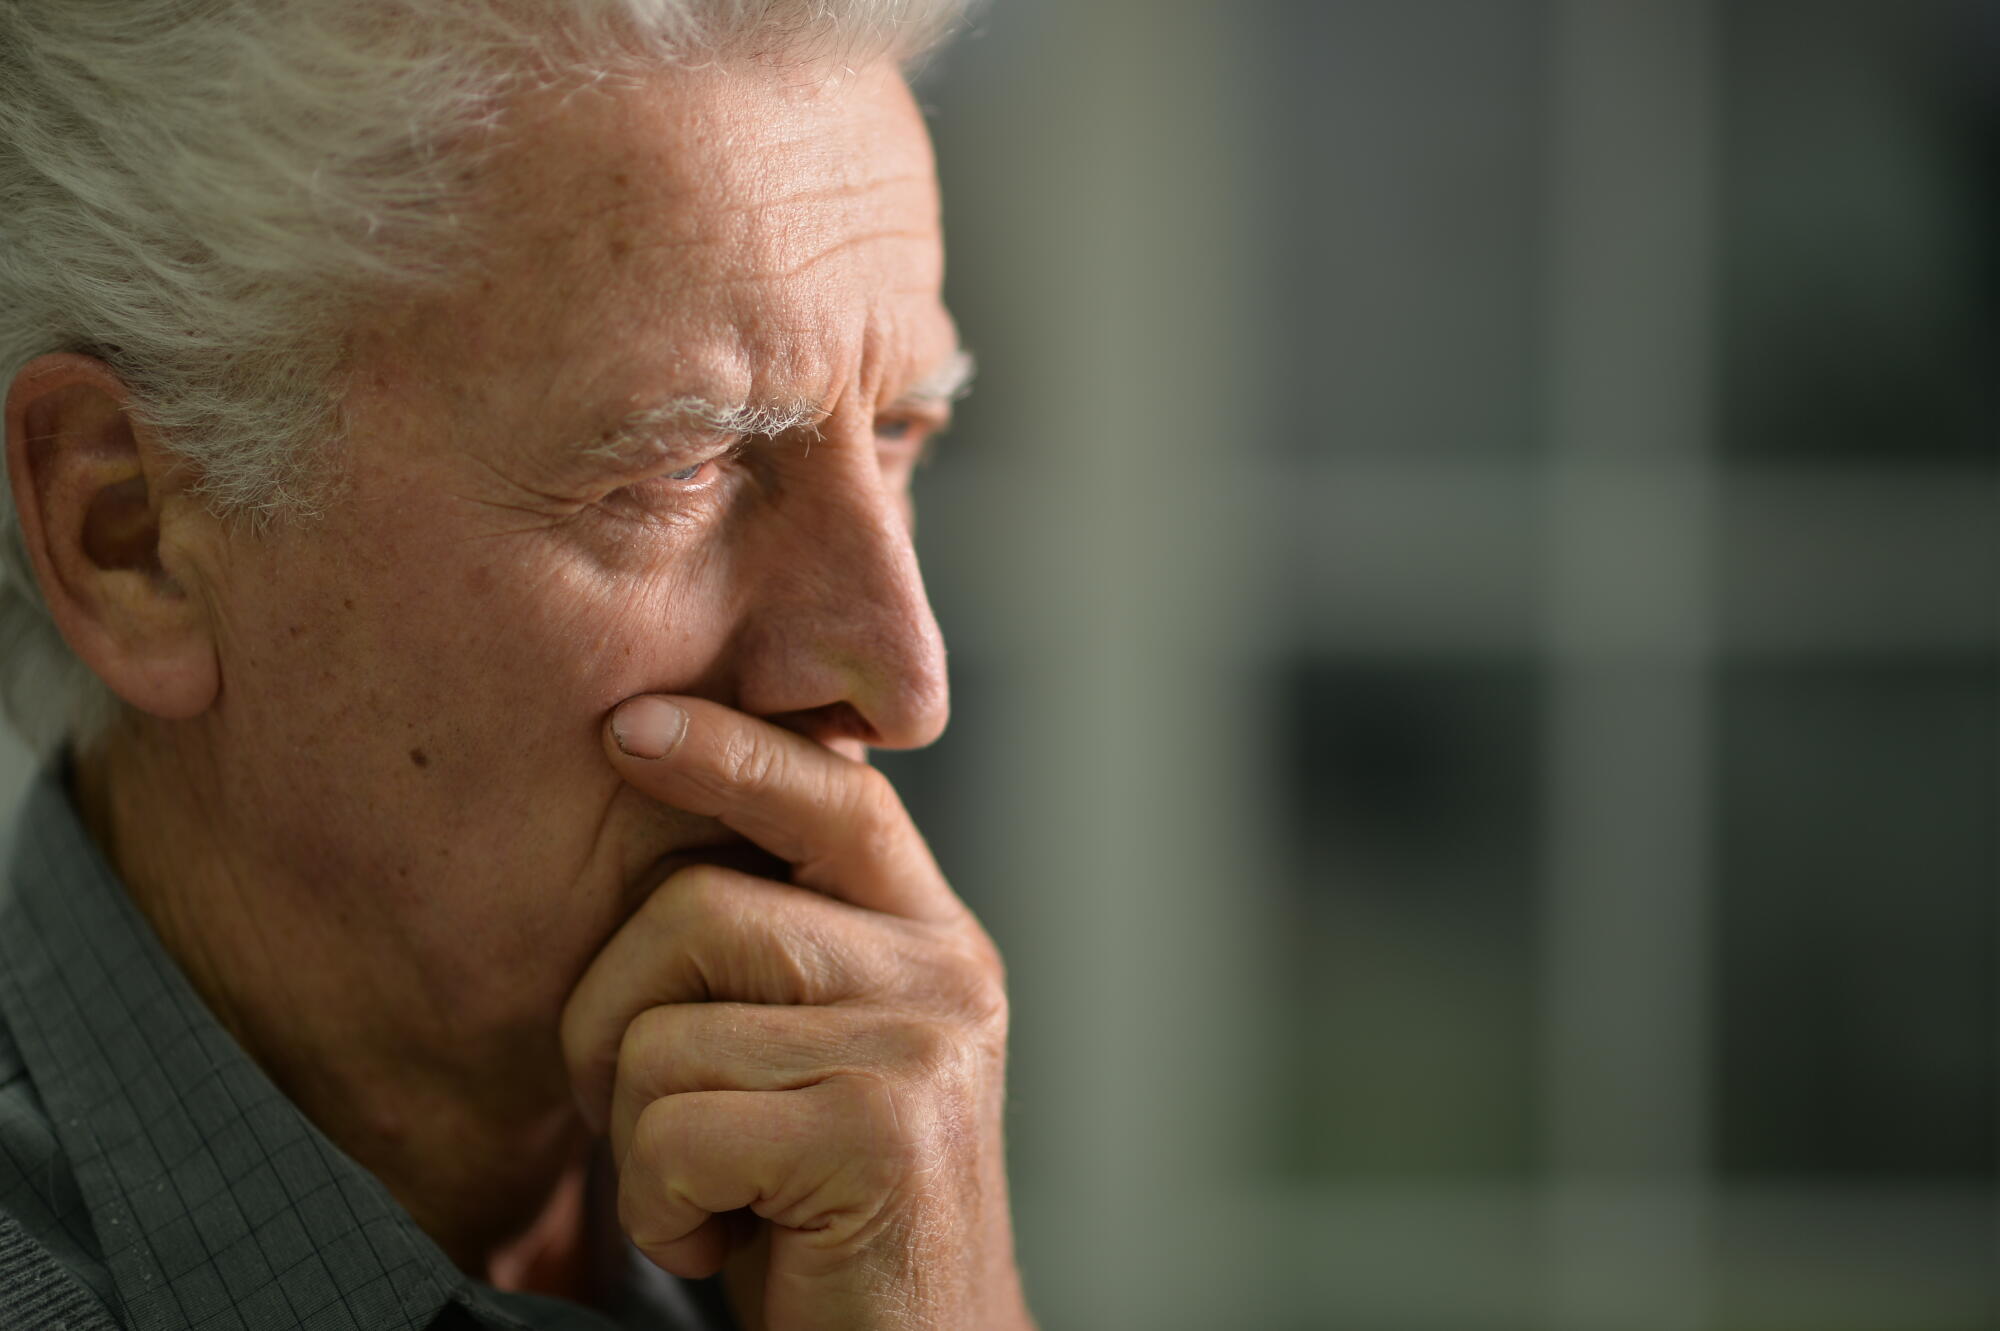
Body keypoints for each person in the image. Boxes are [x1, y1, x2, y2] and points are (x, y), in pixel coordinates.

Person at [0, 3, 1033, 1328]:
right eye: (683, 467)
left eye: (897, 432)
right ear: (130, 535)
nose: (906, 679)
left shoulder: (867, 1190)